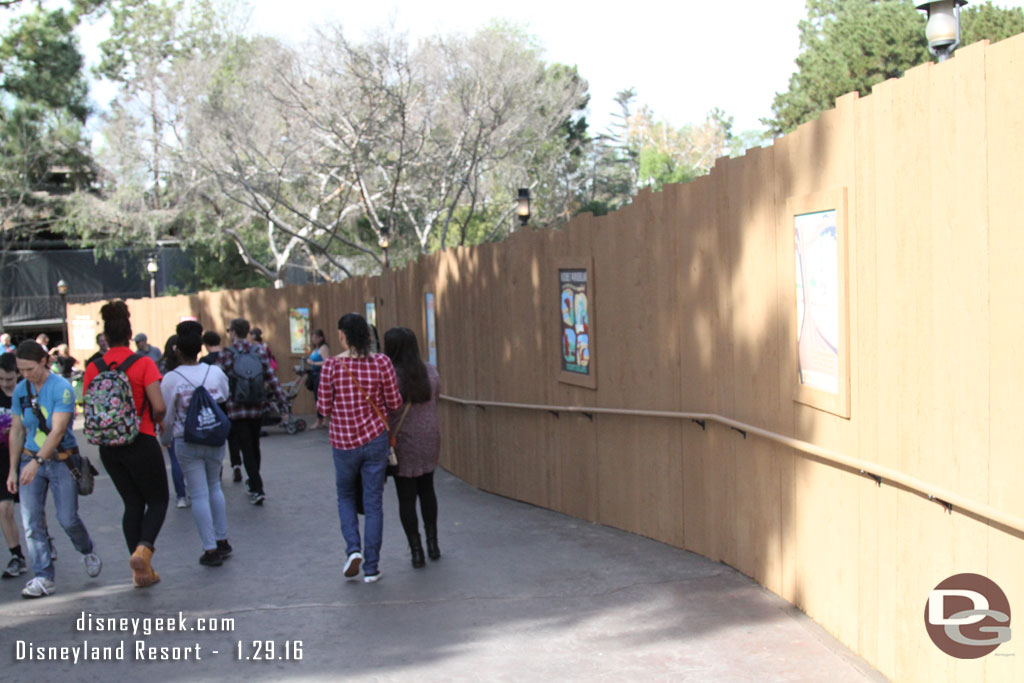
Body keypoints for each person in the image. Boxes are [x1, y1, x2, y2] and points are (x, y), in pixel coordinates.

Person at [7, 341, 102, 598]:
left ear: (43, 362)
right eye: (21, 370)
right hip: (30, 459)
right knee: (31, 521)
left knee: (67, 518)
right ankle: (43, 576)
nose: (25, 375)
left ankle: (86, 550)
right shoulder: (20, 390)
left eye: (29, 369)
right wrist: (14, 469)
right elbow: (17, 430)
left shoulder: (61, 388)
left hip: (61, 460)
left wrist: (38, 461)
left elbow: (59, 430)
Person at [82, 301, 168, 588]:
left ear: (106, 335)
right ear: (130, 335)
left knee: (132, 503)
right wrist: (157, 421)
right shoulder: (143, 363)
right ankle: (144, 550)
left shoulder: (93, 368)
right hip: (141, 440)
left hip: (109, 448)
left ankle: (140, 572)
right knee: (157, 500)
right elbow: (158, 405)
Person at [317, 313, 402, 583]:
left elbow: (323, 408)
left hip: (342, 443)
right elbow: (394, 402)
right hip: (375, 441)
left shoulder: (331, 366)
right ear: (367, 335)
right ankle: (372, 568)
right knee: (374, 502)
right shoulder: (381, 363)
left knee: (345, 497)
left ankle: (353, 550)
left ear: (342, 335)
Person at [161, 321, 233, 567]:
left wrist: (166, 438)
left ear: (178, 350)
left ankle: (210, 547)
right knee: (215, 487)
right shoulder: (214, 372)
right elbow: (224, 395)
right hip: (214, 437)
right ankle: (223, 539)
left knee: (198, 493)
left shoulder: (171, 379)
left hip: (186, 440)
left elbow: (166, 414)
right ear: (200, 348)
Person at [384, 327, 443, 568]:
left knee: (406, 498)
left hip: (402, 441)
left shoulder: (390, 376)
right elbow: (436, 397)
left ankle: (416, 551)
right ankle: (433, 544)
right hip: (429, 436)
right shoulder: (430, 371)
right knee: (427, 489)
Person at [217, 318, 290, 505]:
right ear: (248, 332)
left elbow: (218, 380)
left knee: (245, 447)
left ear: (233, 332)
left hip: (236, 408)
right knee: (254, 445)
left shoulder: (227, 354)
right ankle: (253, 481)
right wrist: (282, 404)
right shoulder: (259, 351)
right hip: (257, 406)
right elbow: (272, 379)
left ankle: (257, 487)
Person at [0, 352, 28, 579]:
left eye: (8, 379)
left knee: (31, 510)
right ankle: (16, 555)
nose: (4, 384)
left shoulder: (26, 392)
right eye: (0, 380)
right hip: (1, 459)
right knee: (4, 509)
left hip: (26, 456)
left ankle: (44, 540)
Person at [158, 335, 189, 509]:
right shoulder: (188, 366)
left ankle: (181, 496)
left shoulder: (163, 367)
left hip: (170, 417)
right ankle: (193, 489)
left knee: (175, 459)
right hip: (189, 418)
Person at [306, 329, 330, 429]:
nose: (313, 339)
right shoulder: (316, 348)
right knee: (317, 397)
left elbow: (326, 361)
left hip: (320, 374)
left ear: (321, 338)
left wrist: (314, 363)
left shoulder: (323, 348)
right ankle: (322, 418)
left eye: (315, 337)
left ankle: (321, 419)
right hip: (313, 374)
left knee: (319, 397)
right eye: (312, 337)